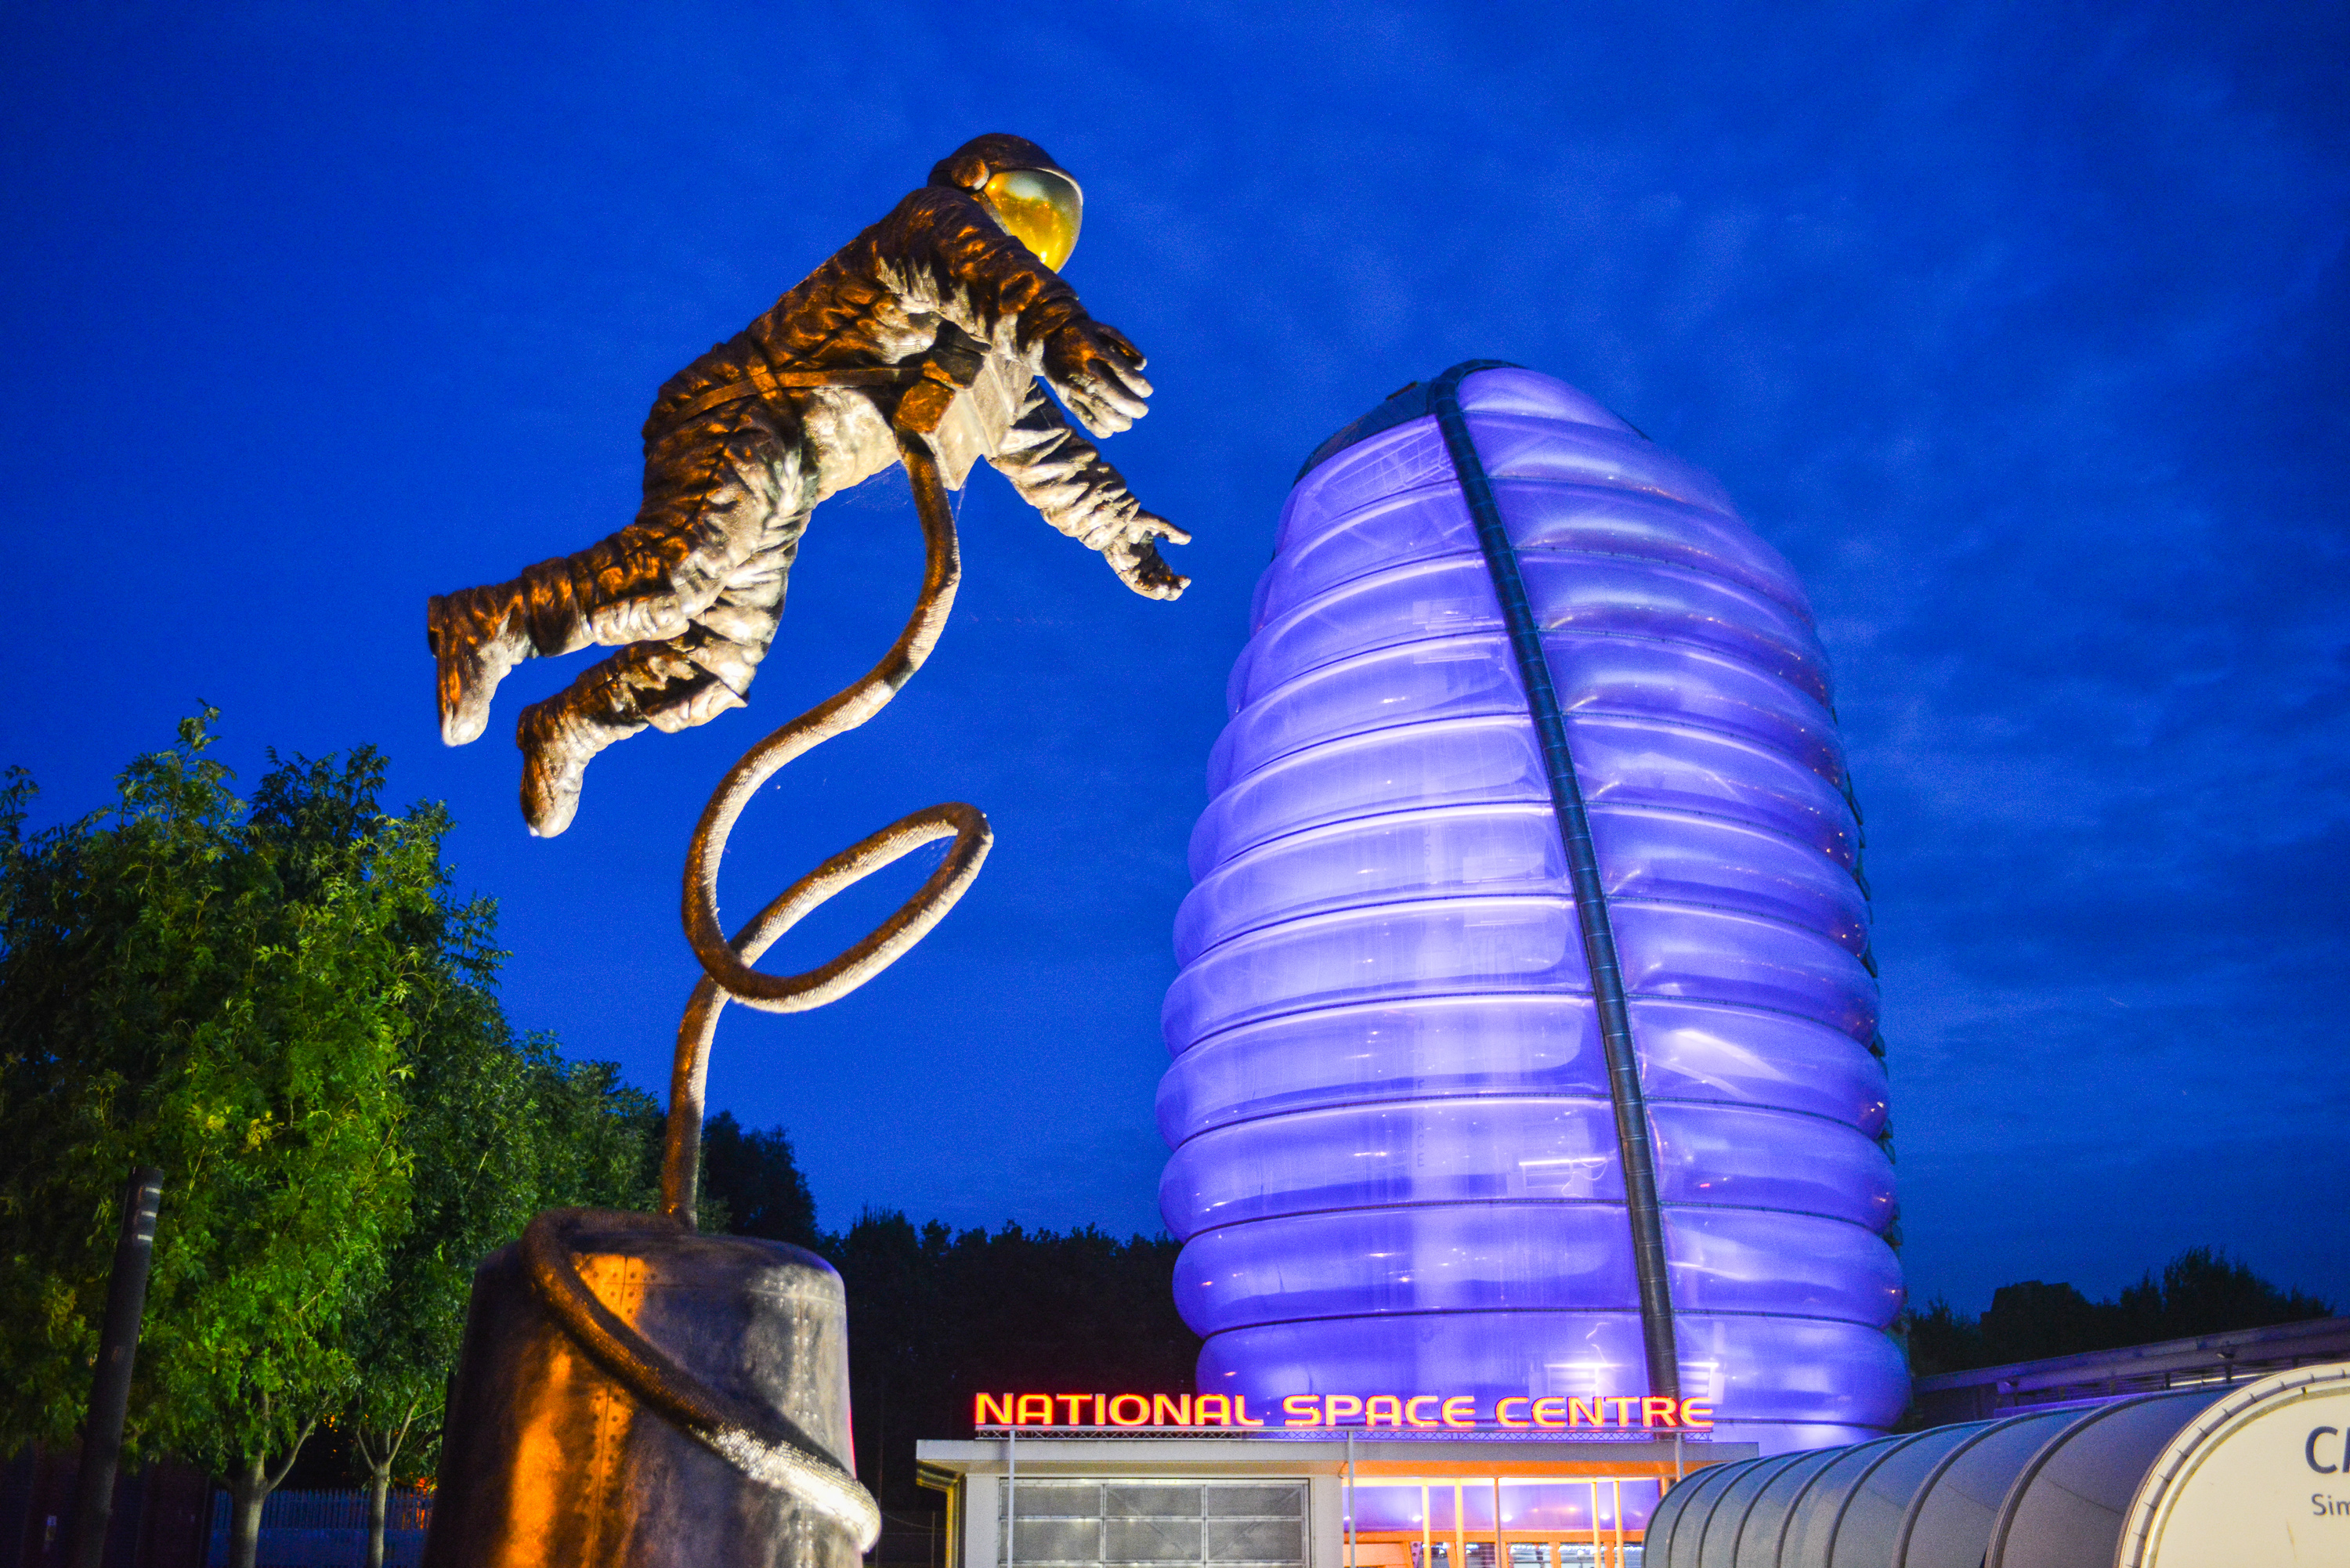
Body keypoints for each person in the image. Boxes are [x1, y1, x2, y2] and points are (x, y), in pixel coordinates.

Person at [426, 133, 1187, 836]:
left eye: (1045, 225)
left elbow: (1041, 448)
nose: (1028, 235)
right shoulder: (928, 227)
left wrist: (1117, 530)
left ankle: (567, 723)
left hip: (791, 477)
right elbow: (971, 267)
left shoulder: (978, 355)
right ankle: (489, 623)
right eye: (1020, 208)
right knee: (676, 575)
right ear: (974, 186)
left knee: (714, 665)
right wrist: (1057, 326)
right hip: (743, 408)